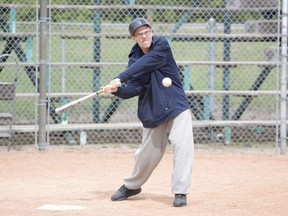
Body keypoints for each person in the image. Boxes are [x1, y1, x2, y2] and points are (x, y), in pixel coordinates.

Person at [103, 17, 194, 207]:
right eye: (140, 34)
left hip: (176, 105)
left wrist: (120, 77)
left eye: (147, 32)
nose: (145, 36)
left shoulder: (161, 46)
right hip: (153, 111)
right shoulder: (134, 58)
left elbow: (147, 63)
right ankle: (132, 186)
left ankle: (180, 192)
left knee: (182, 147)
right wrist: (117, 90)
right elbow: (134, 88)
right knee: (146, 155)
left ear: (151, 32)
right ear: (133, 38)